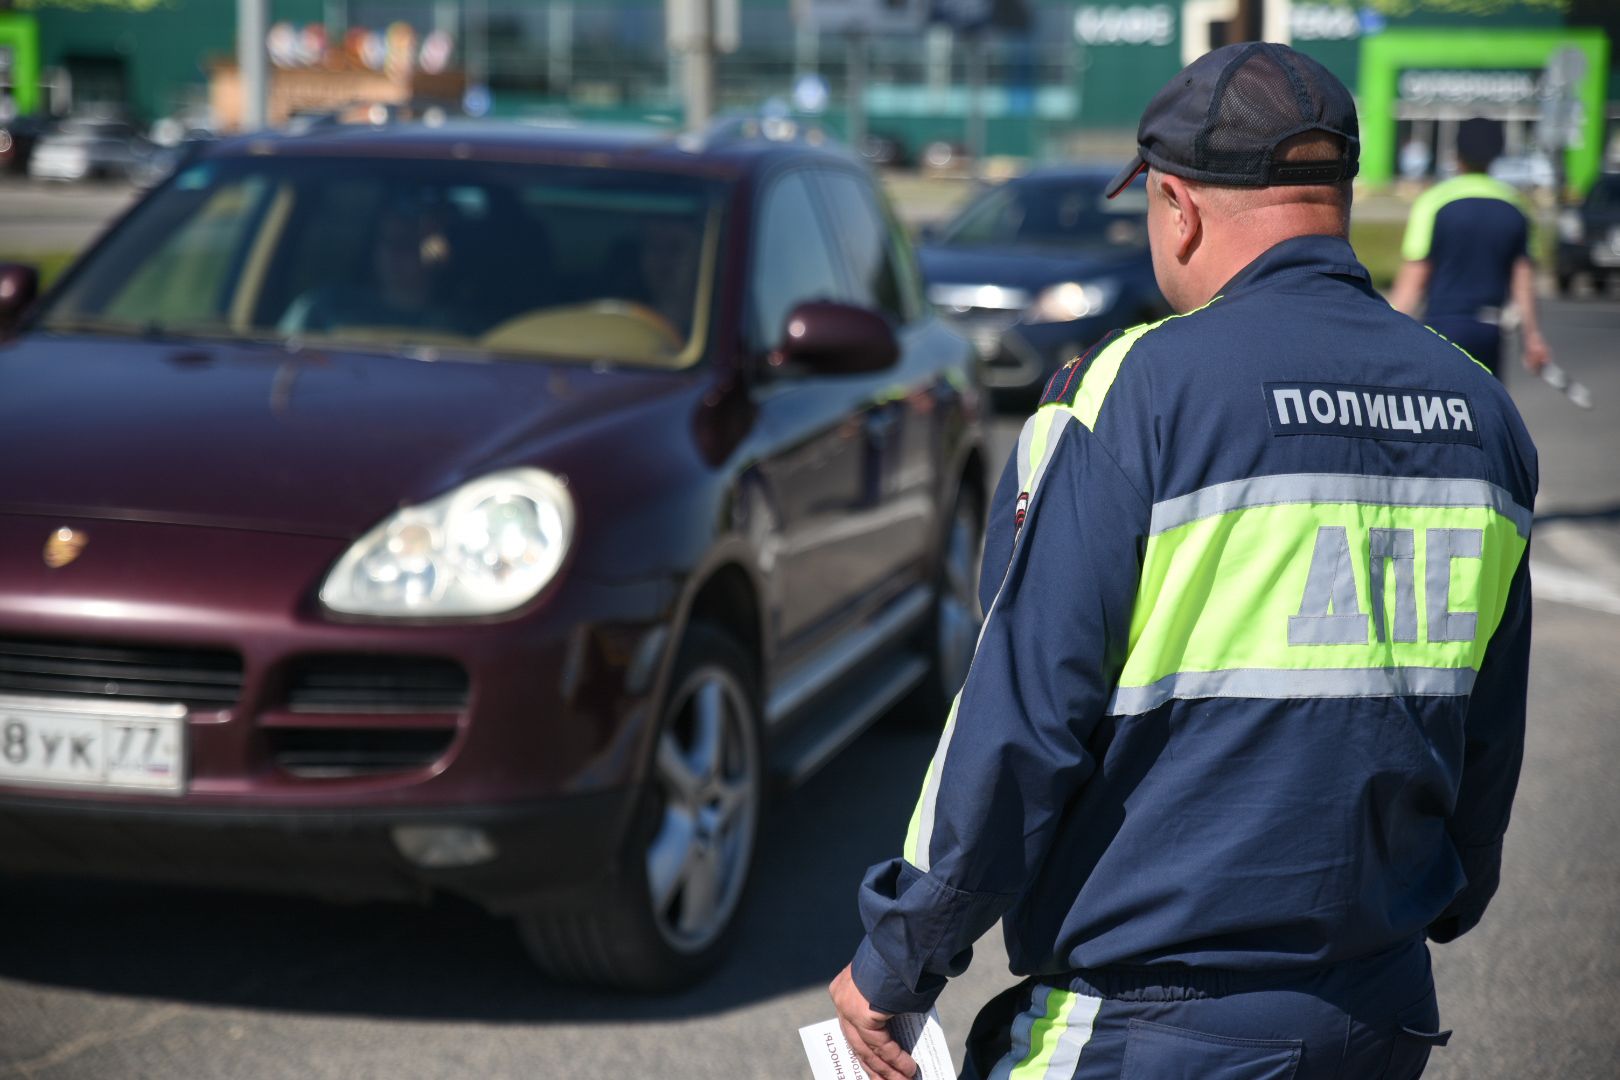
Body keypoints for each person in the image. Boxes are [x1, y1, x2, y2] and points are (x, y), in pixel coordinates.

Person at [829, 42, 1538, 1080]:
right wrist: (1452, 890)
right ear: (1336, 195)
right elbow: (1488, 723)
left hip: (1150, 1025)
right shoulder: (1483, 411)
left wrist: (899, 956)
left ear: (1179, 206)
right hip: (1378, 1015)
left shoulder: (1130, 395)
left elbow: (1019, 714)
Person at [1389, 118, 1551, 379]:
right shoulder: (1516, 206)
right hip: (1490, 330)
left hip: (1442, 328)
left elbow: (1413, 282)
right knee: (1485, 412)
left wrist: (1388, 336)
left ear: (1456, 154)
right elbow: (1523, 283)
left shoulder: (1434, 202)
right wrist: (1533, 338)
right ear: (1497, 154)